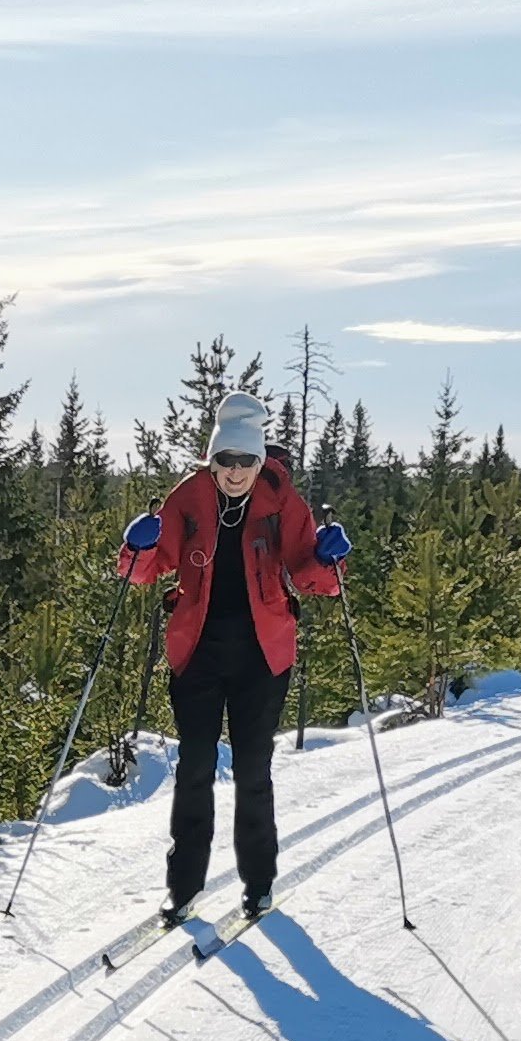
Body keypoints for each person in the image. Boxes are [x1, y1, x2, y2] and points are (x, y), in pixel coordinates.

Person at [117, 390, 348, 926]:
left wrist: (327, 559)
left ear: (260, 459)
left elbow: (312, 575)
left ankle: (259, 884)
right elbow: (146, 571)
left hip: (262, 657)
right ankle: (183, 886)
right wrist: (140, 547)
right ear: (213, 459)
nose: (237, 471)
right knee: (194, 769)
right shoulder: (187, 499)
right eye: (226, 460)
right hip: (196, 652)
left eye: (247, 460)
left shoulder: (283, 502)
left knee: (253, 770)